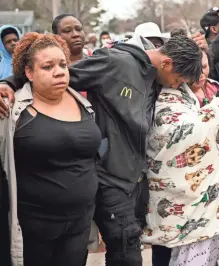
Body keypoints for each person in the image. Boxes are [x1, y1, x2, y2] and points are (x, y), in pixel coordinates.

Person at [0, 32, 203, 266]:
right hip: (106, 178)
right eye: (178, 80)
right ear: (167, 63)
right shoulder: (115, 63)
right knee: (126, 250)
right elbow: (59, 75)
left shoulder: (153, 77)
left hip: (130, 181)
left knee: (122, 247)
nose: (176, 86)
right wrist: (9, 82)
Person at [0, 32, 101, 266]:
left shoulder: (82, 102)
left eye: (63, 65)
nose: (59, 71)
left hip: (80, 223)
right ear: (28, 73)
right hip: (34, 228)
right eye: (47, 66)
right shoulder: (11, 110)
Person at [146, 46, 219, 266]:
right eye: (194, 70)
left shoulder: (217, 89)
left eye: (205, 67)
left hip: (207, 204)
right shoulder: (163, 95)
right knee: (165, 254)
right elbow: (186, 133)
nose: (200, 74)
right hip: (171, 200)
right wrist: (218, 109)